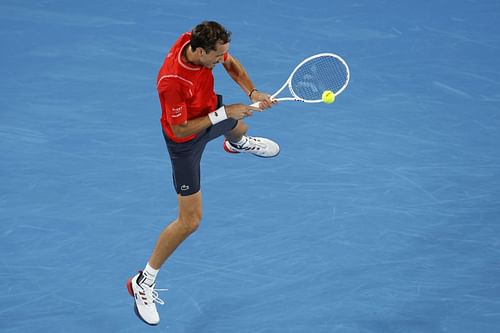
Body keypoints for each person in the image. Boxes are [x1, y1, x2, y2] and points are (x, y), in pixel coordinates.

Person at [126, 21, 279, 326]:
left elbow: (230, 63)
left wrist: (252, 91)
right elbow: (180, 128)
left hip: (206, 110)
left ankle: (237, 145)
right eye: (217, 55)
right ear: (199, 51)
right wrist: (225, 112)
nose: (222, 59)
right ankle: (143, 280)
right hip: (185, 141)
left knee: (240, 127)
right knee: (190, 221)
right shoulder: (172, 81)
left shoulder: (198, 45)